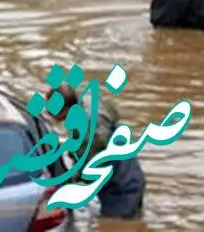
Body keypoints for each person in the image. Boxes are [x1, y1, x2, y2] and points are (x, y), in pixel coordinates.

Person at [46, 83, 145, 219]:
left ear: (64, 110)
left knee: (118, 224)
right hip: (129, 170)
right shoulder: (88, 102)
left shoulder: (89, 132)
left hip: (120, 187)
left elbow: (88, 169)